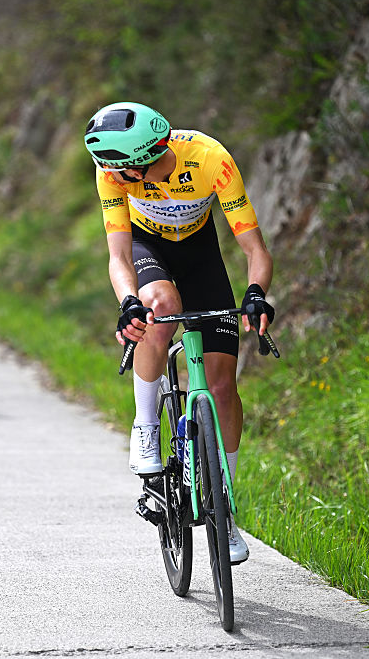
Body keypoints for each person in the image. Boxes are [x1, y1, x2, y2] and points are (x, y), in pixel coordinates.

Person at [83, 101, 275, 565]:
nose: (113, 177)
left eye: (122, 170)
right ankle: (146, 424)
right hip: (150, 252)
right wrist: (128, 299)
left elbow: (255, 249)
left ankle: (224, 511)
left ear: (146, 157)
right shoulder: (112, 173)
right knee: (159, 307)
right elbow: (119, 255)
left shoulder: (211, 160)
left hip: (200, 255)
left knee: (223, 386)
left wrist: (255, 293)